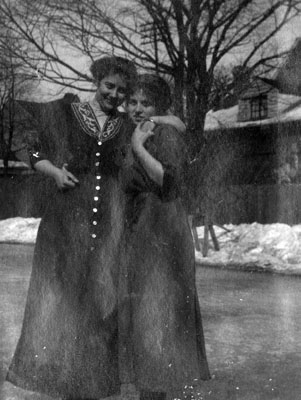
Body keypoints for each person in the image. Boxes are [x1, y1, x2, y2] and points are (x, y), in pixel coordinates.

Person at [6, 59, 188, 400]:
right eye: (110, 86)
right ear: (97, 81)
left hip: (110, 225)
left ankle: (91, 386)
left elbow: (173, 123)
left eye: (122, 90)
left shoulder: (124, 123)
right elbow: (25, 144)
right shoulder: (65, 113)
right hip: (66, 221)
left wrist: (162, 118)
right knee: (66, 303)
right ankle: (65, 386)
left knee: (102, 306)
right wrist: (53, 172)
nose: (115, 95)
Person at [119, 74, 211, 400]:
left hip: (163, 228)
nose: (139, 108)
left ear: (158, 107)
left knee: (157, 314)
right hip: (140, 230)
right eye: (133, 102)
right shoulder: (133, 129)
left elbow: (169, 183)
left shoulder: (164, 134)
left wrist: (138, 148)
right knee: (142, 315)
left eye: (147, 103)